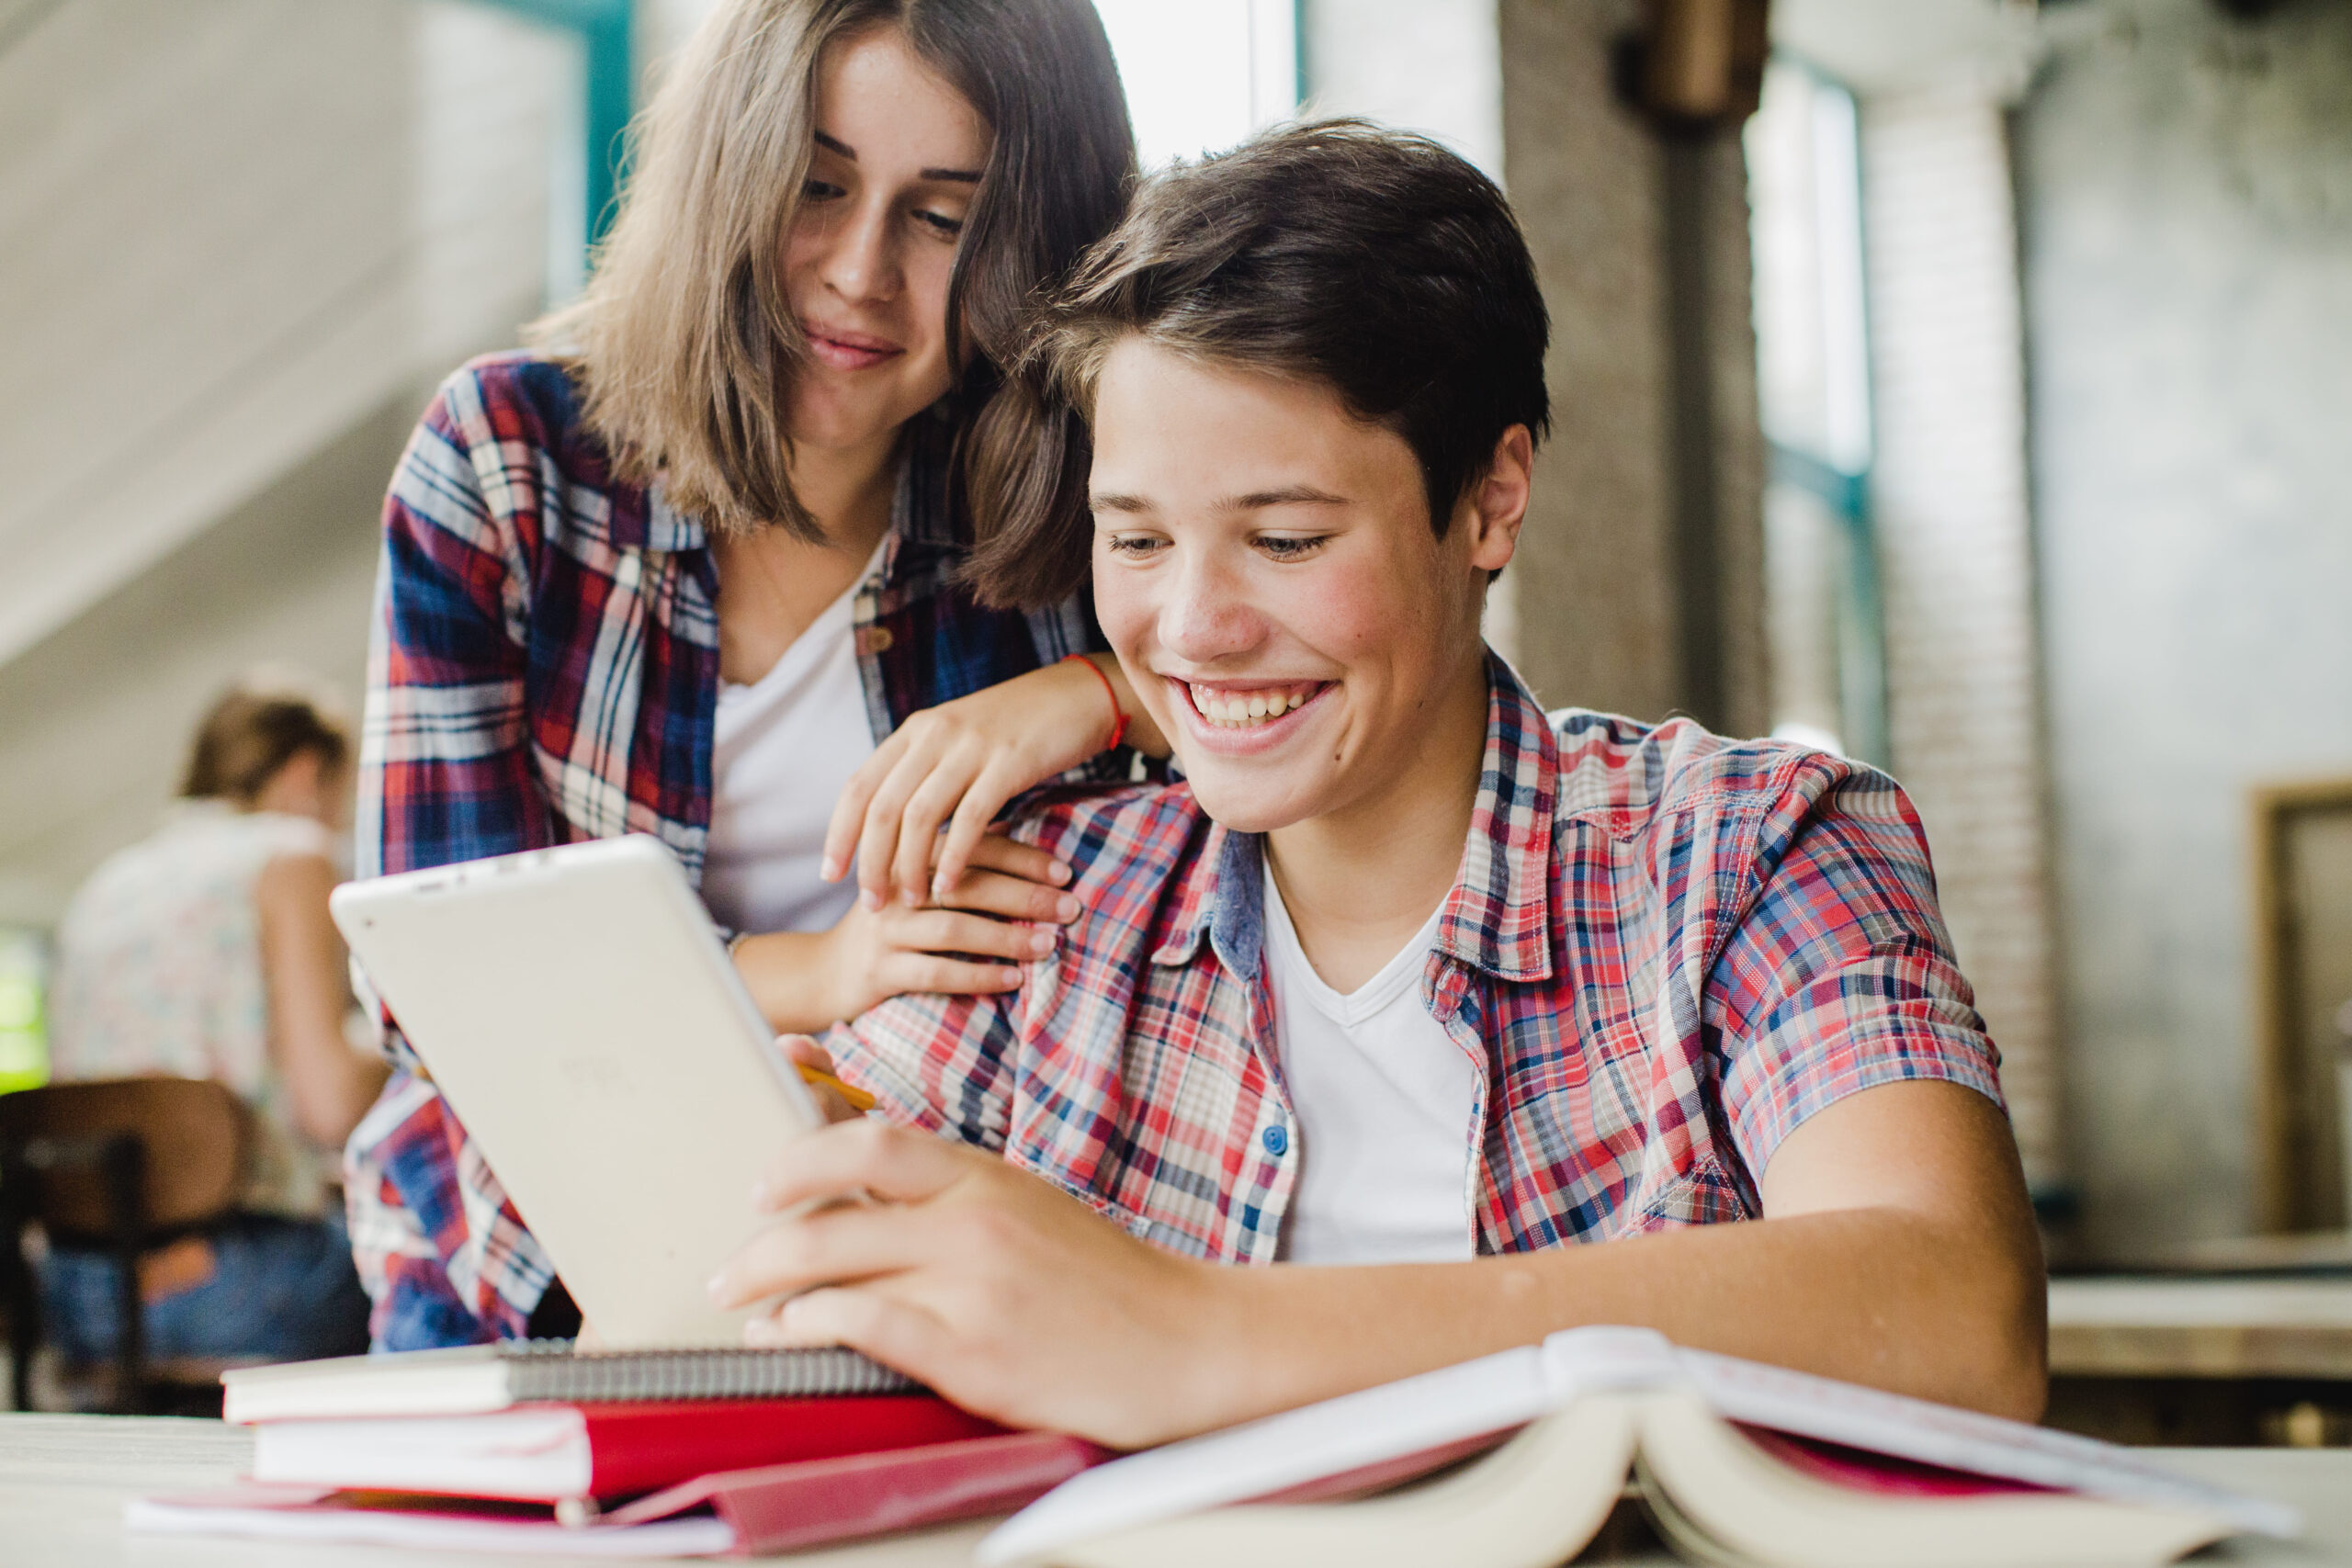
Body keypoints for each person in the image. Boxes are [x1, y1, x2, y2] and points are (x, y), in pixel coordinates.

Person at [707, 122, 2049, 1448]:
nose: (1192, 626)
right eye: (1137, 537)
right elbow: (736, 1278)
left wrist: (1194, 1332)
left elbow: (1955, 1313)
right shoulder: (1045, 904)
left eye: (1285, 538)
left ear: (1489, 500)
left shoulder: (1751, 850)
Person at [344, 0, 1164, 1350]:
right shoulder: (506, 456)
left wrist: (1092, 690)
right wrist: (828, 966)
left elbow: (1315, 681)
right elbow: (434, 979)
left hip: (927, 1249)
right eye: (815, 186)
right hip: (524, 1256)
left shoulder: (1064, 498)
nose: (859, 272)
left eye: (942, 217)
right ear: (732, 174)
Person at [43, 676, 384, 1367]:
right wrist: (409, 1048)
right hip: (236, 1286)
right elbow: (330, 1105)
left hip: (78, 1295)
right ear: (303, 774)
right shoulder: (291, 855)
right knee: (444, 1258)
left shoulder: (108, 881)